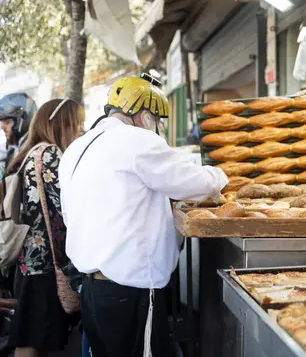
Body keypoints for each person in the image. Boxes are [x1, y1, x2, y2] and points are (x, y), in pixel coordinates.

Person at [59, 75, 228, 357]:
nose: (156, 128)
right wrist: (222, 175)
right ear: (142, 114)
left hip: (91, 289)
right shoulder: (135, 140)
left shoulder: (77, 148)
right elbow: (194, 181)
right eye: (155, 120)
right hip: (128, 290)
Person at [6, 98, 85, 356]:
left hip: (31, 262)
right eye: (76, 124)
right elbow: (65, 203)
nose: (79, 131)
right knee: (31, 340)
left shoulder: (32, 151)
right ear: (61, 124)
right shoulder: (49, 153)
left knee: (34, 336)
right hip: (42, 264)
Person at [0, 93, 37, 179]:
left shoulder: (34, 152)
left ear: (22, 121)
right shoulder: (13, 147)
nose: (1, 127)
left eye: (7, 122)